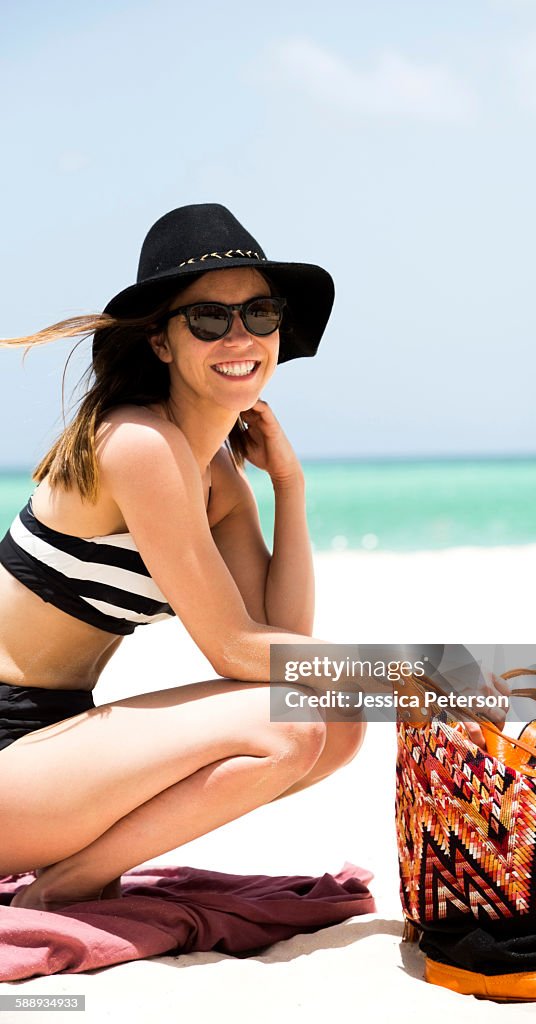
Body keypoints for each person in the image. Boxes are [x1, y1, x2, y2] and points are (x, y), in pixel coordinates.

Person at [0, 203, 367, 911]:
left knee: (336, 721)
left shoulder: (217, 475)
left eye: (260, 313)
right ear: (162, 343)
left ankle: (77, 869)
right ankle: (69, 885)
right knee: (290, 723)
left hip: (55, 742)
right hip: (8, 740)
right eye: (208, 318)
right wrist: (414, 675)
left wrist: (288, 487)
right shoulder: (137, 443)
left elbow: (277, 635)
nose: (240, 335)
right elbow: (234, 650)